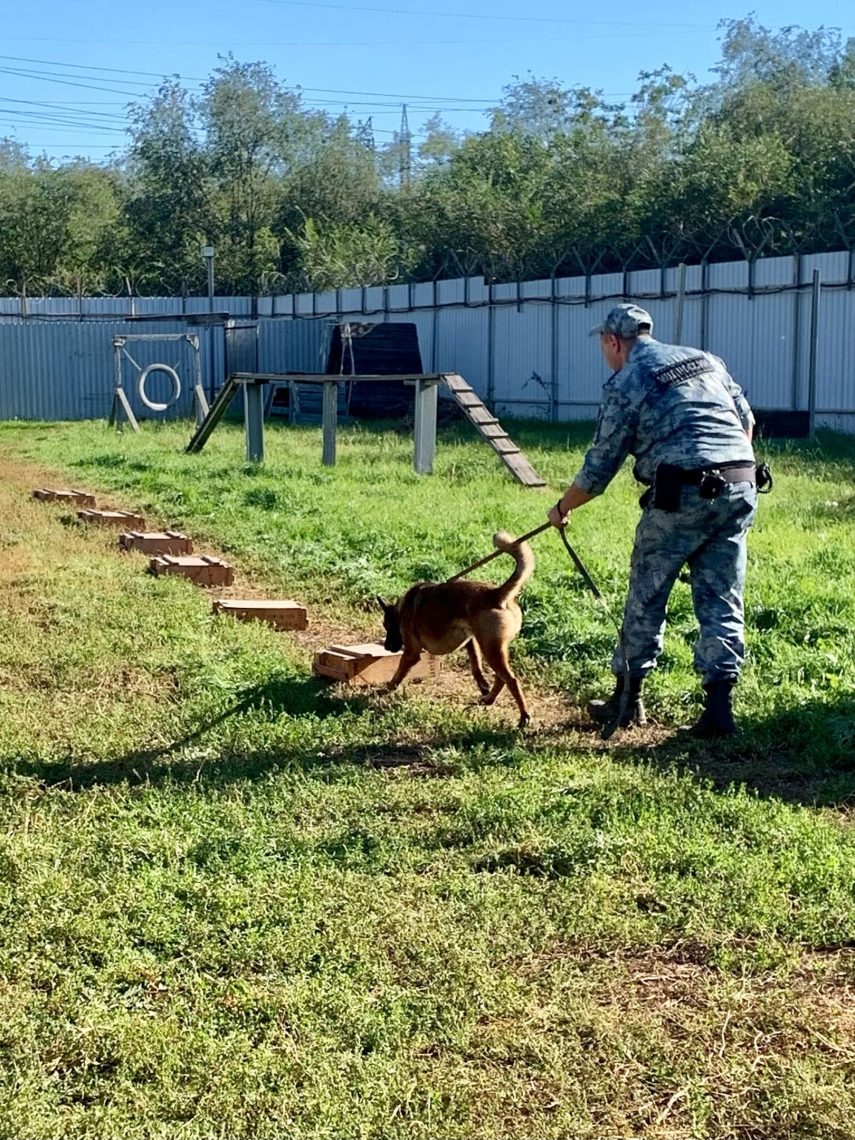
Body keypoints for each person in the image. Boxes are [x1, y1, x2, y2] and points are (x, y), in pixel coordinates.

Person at [547, 302, 758, 737]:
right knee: (722, 596)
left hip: (681, 495)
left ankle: (627, 702)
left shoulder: (627, 380)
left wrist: (563, 507)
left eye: (604, 346)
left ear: (612, 341)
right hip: (741, 483)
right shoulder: (705, 359)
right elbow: (746, 422)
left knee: (647, 593)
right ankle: (720, 712)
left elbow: (600, 465)